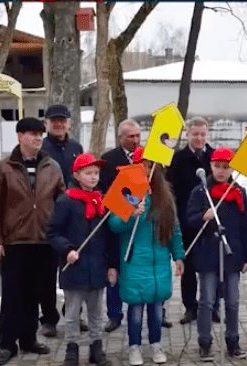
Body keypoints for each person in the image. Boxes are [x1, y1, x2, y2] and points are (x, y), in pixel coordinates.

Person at [0, 117, 65, 365]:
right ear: (19, 136)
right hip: (14, 242)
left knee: (36, 294)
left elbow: (61, 202)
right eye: (32, 134)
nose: (37, 138)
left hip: (44, 241)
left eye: (40, 135)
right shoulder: (3, 167)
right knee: (12, 296)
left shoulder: (52, 166)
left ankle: (28, 339)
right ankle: (7, 343)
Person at [107, 156, 185, 366]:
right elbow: (113, 225)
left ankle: (156, 344)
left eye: (149, 166)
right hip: (134, 262)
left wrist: (178, 255)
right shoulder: (126, 190)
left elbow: (173, 229)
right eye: (141, 166)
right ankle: (134, 347)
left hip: (159, 262)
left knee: (157, 308)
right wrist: (130, 214)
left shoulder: (164, 196)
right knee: (135, 309)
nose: (145, 170)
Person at [186, 147, 247, 361]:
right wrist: (202, 217)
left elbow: (246, 226)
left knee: (233, 301)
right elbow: (188, 220)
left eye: (226, 167)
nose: (221, 171)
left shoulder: (238, 191)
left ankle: (232, 341)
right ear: (211, 166)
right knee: (206, 300)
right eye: (217, 166)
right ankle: (205, 342)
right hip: (208, 254)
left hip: (231, 254)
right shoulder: (200, 191)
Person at [47, 153, 111, 366]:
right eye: (88, 173)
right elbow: (53, 232)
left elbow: (108, 236)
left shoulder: (101, 201)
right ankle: (72, 348)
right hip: (75, 267)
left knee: (96, 313)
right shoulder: (66, 200)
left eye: (96, 173)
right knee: (73, 314)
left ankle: (96, 347)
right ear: (77, 175)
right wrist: (67, 250)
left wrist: (111, 265)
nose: (93, 177)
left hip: (97, 267)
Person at [166, 116, 221, 325]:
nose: (199, 138)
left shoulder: (215, 157)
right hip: (187, 219)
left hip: (210, 219)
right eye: (195, 134)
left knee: (212, 265)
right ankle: (190, 306)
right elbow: (171, 189)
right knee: (187, 264)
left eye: (203, 134)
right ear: (188, 134)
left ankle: (213, 305)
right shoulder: (178, 159)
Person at [41, 103, 86, 336]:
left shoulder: (76, 147)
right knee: (48, 272)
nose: (59, 124)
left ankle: (74, 313)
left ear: (69, 122)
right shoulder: (41, 147)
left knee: (74, 267)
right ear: (46, 123)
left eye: (63, 120)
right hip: (49, 215)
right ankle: (48, 318)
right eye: (54, 120)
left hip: (75, 215)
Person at [98, 119, 141, 332]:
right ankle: (114, 314)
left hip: (141, 224)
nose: (135, 140)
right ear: (120, 137)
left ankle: (153, 310)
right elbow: (103, 191)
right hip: (116, 223)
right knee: (114, 268)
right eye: (130, 136)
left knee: (140, 267)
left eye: (137, 136)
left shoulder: (147, 159)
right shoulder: (108, 160)